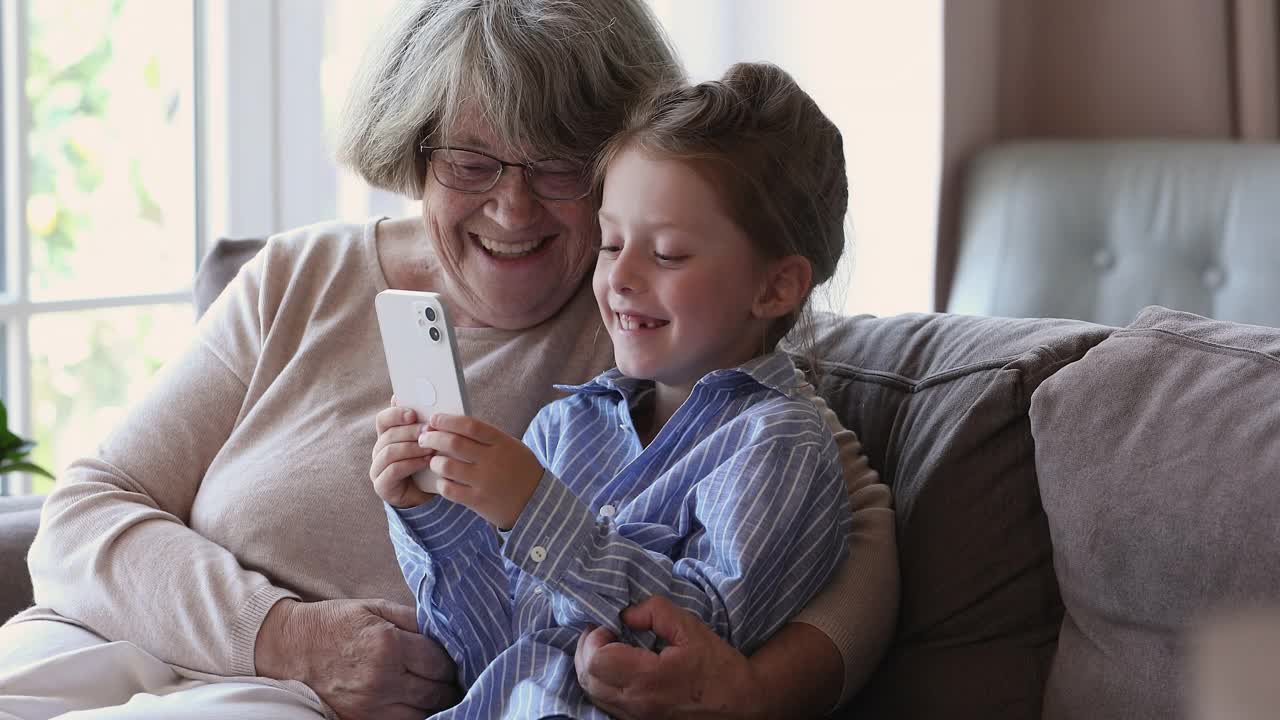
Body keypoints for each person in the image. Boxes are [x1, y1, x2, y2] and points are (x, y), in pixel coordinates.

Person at [0, 2, 896, 719]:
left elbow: (852, 523)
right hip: (106, 640)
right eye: (471, 161)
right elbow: (81, 517)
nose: (513, 210)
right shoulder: (298, 277)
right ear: (414, 150)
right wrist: (284, 633)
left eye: (558, 167)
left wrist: (755, 693)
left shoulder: (649, 329)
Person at [368, 62, 868, 720]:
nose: (621, 277)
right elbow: (492, 652)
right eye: (610, 243)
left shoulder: (776, 444)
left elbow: (693, 645)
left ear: (774, 287)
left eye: (666, 254)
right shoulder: (565, 426)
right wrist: (435, 519)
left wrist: (535, 511)